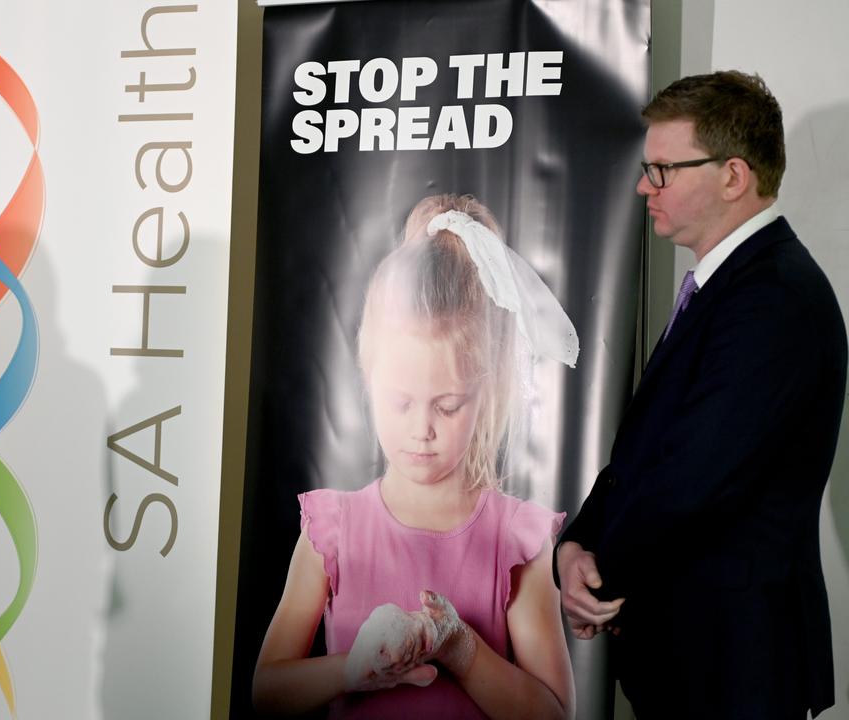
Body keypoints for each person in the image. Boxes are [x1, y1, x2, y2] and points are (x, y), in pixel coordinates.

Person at [556, 71, 846, 719]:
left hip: (734, 669)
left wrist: (598, 575)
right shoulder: (729, 288)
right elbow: (645, 454)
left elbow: (691, 481)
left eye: (661, 170)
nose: (642, 187)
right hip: (700, 659)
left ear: (732, 176)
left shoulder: (772, 299)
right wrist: (574, 545)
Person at [253, 194, 576, 719]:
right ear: (368, 376)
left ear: (487, 392)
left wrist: (462, 649)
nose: (421, 430)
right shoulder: (331, 529)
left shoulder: (517, 542)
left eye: (448, 406)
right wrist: (350, 669)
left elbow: (555, 713)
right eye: (399, 402)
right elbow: (267, 691)